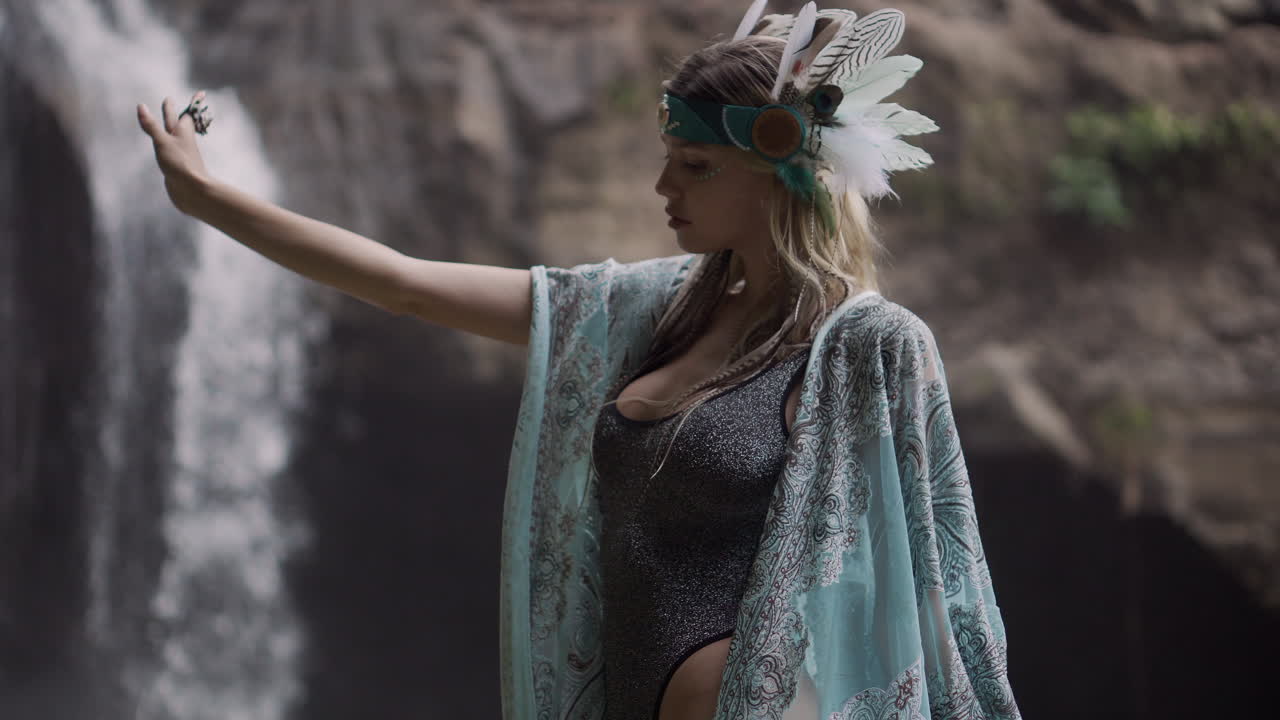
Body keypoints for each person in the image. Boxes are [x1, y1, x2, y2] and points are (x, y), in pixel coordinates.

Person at [138, 2, 1021, 719]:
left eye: (695, 167)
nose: (663, 189)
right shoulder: (654, 309)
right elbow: (406, 286)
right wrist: (211, 200)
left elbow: (942, 598)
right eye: (667, 160)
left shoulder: (863, 348)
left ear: (777, 170)